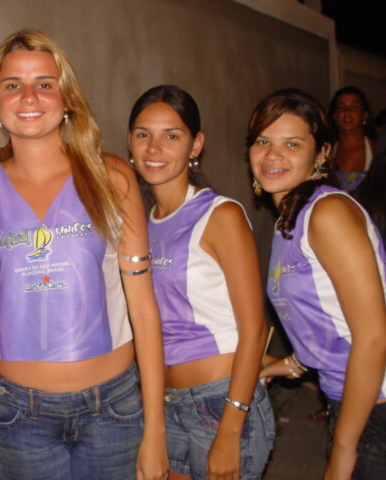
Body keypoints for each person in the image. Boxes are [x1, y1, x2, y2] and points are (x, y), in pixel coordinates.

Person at [0, 30, 168, 480]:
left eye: (44, 83)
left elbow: (143, 309)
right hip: (21, 417)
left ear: (67, 99)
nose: (29, 96)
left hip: (112, 409)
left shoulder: (111, 177)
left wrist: (155, 429)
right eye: (13, 84)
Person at [127, 85, 274, 480]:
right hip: (165, 404)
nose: (154, 148)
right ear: (130, 142)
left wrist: (230, 428)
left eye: (171, 136)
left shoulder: (220, 215)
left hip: (220, 401)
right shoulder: (140, 224)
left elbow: (255, 328)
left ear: (196, 145)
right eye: (143, 134)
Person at [251, 89, 386, 480]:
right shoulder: (290, 219)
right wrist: (288, 364)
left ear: (322, 153)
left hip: (377, 404)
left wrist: (342, 451)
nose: (273, 155)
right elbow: (329, 319)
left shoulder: (327, 213)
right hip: (354, 398)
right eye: (263, 141)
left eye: (292, 144)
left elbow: (373, 337)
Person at [328, 86, 376, 193]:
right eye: (341, 107)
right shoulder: (327, 153)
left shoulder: (376, 150)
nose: (347, 112)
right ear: (335, 116)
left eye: (354, 106)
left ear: (364, 115)